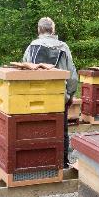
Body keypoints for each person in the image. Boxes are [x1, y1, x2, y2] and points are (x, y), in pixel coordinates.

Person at [22, 17, 78, 168]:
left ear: (39, 30)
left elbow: (25, 70)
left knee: (37, 128)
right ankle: (62, 162)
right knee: (61, 129)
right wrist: (71, 94)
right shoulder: (63, 47)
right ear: (53, 30)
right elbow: (71, 74)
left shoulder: (32, 46)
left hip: (36, 96)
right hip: (58, 95)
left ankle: (38, 162)